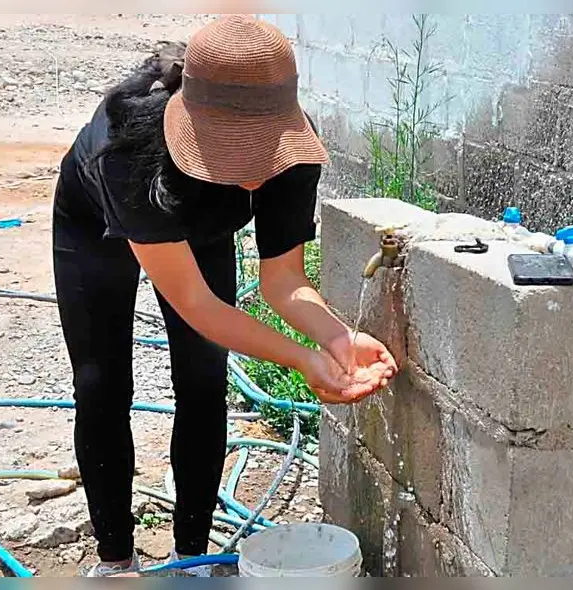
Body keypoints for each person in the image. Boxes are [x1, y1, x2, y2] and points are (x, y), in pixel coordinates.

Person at [51, 15, 398, 577]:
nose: (256, 173)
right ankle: (116, 560)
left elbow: (283, 282)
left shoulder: (295, 155)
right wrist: (302, 359)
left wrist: (336, 338)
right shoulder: (126, 148)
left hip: (199, 224)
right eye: (236, 156)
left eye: (264, 152)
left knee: (203, 377)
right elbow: (198, 304)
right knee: (102, 381)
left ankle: (192, 556)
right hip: (94, 224)